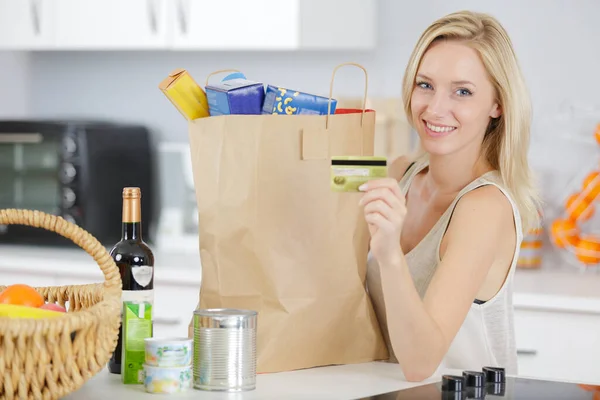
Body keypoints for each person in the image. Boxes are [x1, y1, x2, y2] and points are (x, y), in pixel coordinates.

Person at [360, 10, 541, 382]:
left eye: (462, 91)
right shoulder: (400, 174)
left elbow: (421, 362)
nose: (435, 108)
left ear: (498, 104)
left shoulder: (485, 208)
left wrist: (390, 254)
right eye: (425, 85)